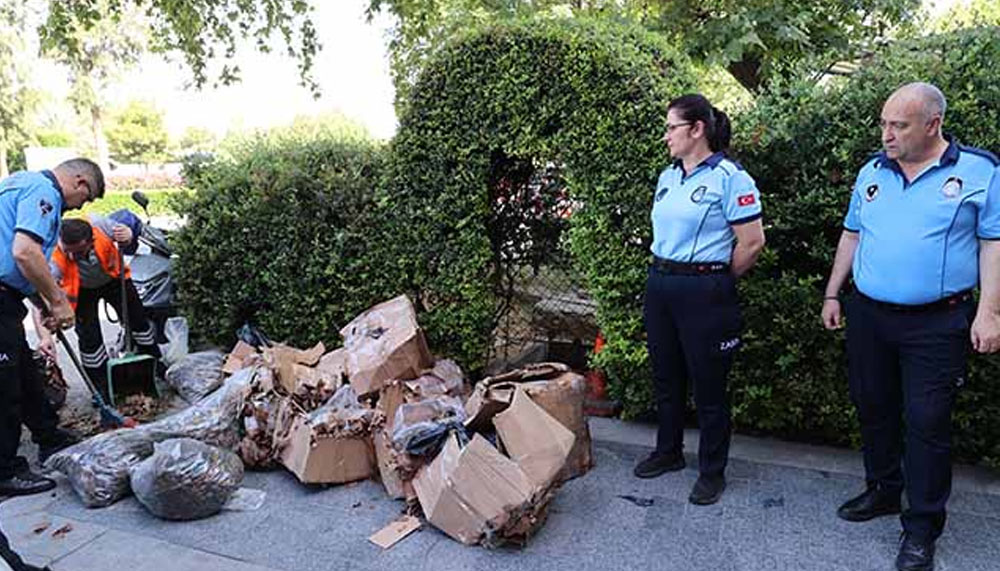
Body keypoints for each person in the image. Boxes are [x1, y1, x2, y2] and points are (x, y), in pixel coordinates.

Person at [821, 82, 1000, 571]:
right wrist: (833, 292)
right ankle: (882, 489)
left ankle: (921, 527)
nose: (887, 134)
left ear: (933, 124)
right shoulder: (872, 171)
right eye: (884, 124)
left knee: (927, 423)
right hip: (869, 316)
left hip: (937, 324)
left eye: (899, 126)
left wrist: (989, 312)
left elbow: (993, 244)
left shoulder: (980, 172)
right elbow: (852, 234)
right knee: (873, 406)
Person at [633, 94, 766, 506]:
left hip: (704, 289)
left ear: (697, 129)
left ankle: (711, 471)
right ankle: (668, 451)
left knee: (709, 386)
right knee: (666, 376)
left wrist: (716, 281)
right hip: (661, 283)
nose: (666, 136)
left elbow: (752, 242)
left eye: (671, 127)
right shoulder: (668, 176)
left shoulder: (730, 178)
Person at [1, 159, 102, 571]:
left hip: (7, 298)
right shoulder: (45, 193)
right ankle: (6, 470)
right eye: (85, 197)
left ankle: (49, 436)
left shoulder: (20, 182)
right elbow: (24, 252)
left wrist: (39, 300)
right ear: (79, 181)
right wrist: (58, 301)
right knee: (5, 387)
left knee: (26, 374)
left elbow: (16, 260)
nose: (80, 206)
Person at [32, 214, 164, 403]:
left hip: (114, 280)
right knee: (89, 339)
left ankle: (153, 364)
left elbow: (130, 225)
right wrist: (45, 336)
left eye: (79, 253)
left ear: (91, 242)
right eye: (68, 251)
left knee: (139, 323)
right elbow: (40, 300)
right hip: (82, 291)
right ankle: (100, 387)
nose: (72, 257)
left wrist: (128, 235)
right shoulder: (53, 257)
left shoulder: (100, 226)